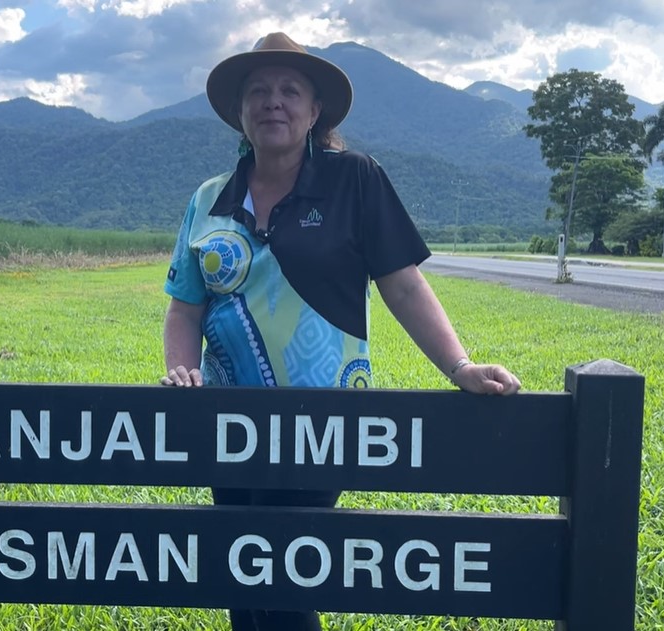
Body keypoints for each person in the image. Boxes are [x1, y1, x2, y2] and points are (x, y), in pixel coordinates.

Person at [161, 33, 521, 630]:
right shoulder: (207, 201)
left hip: (321, 423)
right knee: (240, 573)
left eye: (289, 90)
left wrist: (460, 366)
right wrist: (182, 368)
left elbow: (402, 285)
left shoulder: (354, 179)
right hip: (225, 424)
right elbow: (184, 307)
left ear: (314, 109)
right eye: (258, 91)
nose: (273, 102)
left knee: (284, 577)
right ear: (240, 111)